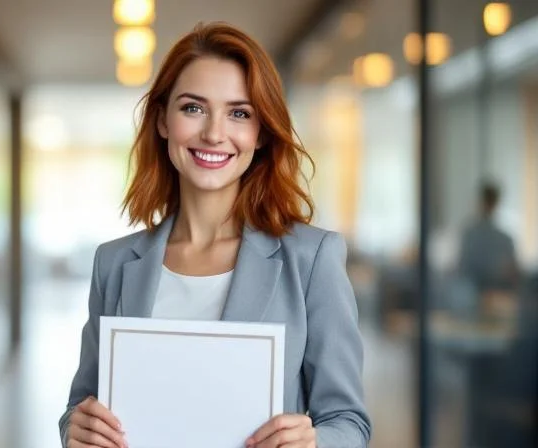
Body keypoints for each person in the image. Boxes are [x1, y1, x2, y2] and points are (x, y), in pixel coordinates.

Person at [59, 22, 371, 448]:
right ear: (163, 120)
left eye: (239, 113)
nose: (213, 133)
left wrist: (315, 443)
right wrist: (75, 430)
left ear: (260, 133)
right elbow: (81, 408)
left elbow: (349, 422)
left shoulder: (312, 259)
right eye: (193, 108)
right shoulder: (113, 264)